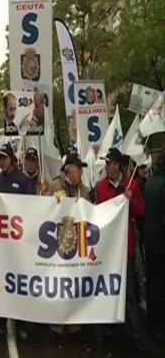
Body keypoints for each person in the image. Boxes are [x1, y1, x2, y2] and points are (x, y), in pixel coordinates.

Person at [95, 148, 145, 352]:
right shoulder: (101, 187)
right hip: (107, 249)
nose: (106, 167)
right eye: (106, 163)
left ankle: (134, 334)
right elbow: (97, 213)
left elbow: (141, 211)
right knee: (105, 291)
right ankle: (105, 332)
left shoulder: (131, 185)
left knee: (129, 294)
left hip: (125, 249)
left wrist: (131, 199)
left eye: (109, 163)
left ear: (117, 165)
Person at [0, 143, 32, 340]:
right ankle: (0, 323)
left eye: (4, 157)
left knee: (19, 281)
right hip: (2, 242)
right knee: (1, 281)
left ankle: (21, 324)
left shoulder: (22, 180)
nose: (1, 161)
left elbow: (32, 206)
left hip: (19, 241)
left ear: (11, 159)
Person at [47, 153, 89, 343]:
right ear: (68, 170)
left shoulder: (85, 191)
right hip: (57, 245)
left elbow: (92, 213)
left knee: (75, 285)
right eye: (78, 168)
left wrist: (85, 206)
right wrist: (49, 200)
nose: (81, 172)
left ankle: (74, 327)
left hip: (77, 245)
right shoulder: (55, 186)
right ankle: (56, 327)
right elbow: (40, 208)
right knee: (59, 285)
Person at [143, 150, 165, 341]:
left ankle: (151, 322)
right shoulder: (163, 184)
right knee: (160, 286)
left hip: (149, 240)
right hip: (160, 242)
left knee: (152, 284)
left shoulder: (150, 183)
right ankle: (158, 326)